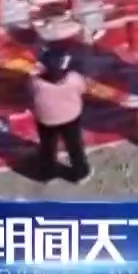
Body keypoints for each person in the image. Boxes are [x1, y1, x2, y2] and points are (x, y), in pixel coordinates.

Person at [29, 48, 90, 182]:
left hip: (46, 119)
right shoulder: (74, 79)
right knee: (74, 146)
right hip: (71, 117)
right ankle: (81, 173)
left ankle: (47, 173)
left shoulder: (36, 82)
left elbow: (30, 93)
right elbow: (83, 89)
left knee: (47, 146)